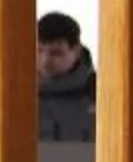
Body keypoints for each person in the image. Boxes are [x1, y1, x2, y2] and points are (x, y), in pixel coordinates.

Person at [37, 11, 96, 144]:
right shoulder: (15, 95)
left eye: (56, 53)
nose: (45, 61)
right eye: (39, 50)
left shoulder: (102, 95)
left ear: (76, 50)